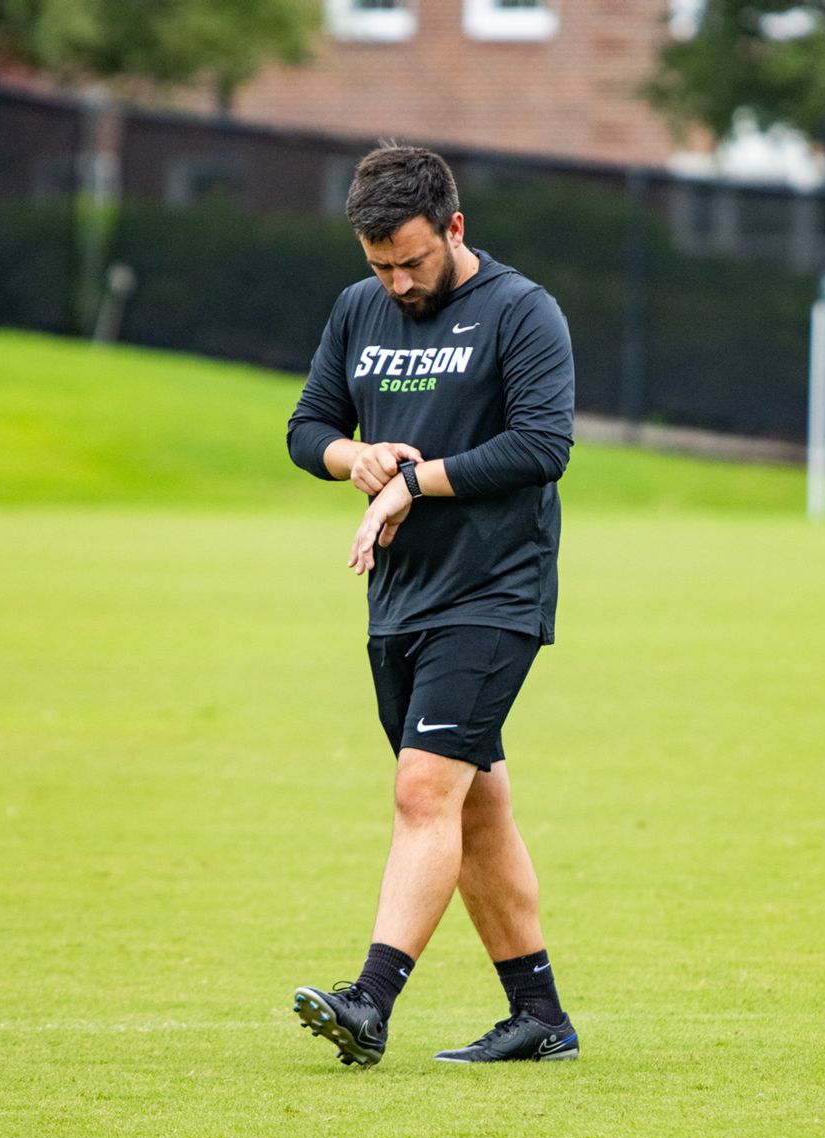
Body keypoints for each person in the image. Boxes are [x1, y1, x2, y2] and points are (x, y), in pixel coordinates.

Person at [286, 143, 578, 1067]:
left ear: (454, 227)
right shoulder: (358, 309)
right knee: (472, 805)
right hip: (400, 598)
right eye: (381, 266)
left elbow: (542, 445)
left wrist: (417, 480)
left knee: (422, 790)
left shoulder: (522, 312)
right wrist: (357, 459)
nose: (399, 283)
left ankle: (369, 1002)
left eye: (411, 261)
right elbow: (308, 427)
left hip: (495, 592)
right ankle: (540, 1016)